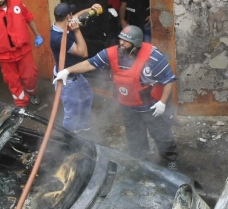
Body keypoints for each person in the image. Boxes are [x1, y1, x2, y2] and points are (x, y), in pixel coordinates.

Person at [54, 25, 178, 170]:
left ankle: (171, 159)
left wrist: (162, 103)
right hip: (128, 105)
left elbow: (168, 79)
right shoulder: (112, 53)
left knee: (161, 134)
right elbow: (90, 63)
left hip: (151, 105)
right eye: (121, 39)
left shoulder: (153, 57)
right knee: (134, 134)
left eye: (125, 41)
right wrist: (67, 71)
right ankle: (140, 159)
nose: (121, 43)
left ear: (136, 43)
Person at [51, 2, 102, 133]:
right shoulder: (58, 38)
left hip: (76, 75)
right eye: (71, 14)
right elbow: (83, 52)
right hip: (67, 81)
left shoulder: (60, 24)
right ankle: (68, 139)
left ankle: (82, 124)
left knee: (87, 96)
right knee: (71, 113)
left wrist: (90, 9)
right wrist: (77, 30)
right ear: (68, 16)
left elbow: (76, 17)